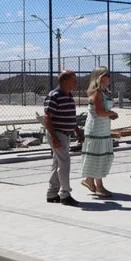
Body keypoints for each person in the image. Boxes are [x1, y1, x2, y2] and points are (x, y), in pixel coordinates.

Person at [43, 68, 81, 206]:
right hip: (58, 133)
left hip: (65, 134)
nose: (76, 83)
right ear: (65, 81)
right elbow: (47, 118)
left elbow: (71, 116)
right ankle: (65, 194)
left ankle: (52, 193)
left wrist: (77, 132)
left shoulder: (68, 95)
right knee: (64, 164)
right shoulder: (54, 95)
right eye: (73, 81)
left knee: (58, 163)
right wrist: (54, 137)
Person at [80, 66, 118, 197]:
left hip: (103, 128)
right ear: (100, 77)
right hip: (96, 130)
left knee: (100, 155)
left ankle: (90, 180)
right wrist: (111, 113)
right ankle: (99, 186)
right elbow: (99, 112)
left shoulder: (105, 92)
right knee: (98, 156)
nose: (109, 78)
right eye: (107, 75)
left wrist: (110, 114)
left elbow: (104, 111)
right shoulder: (96, 93)